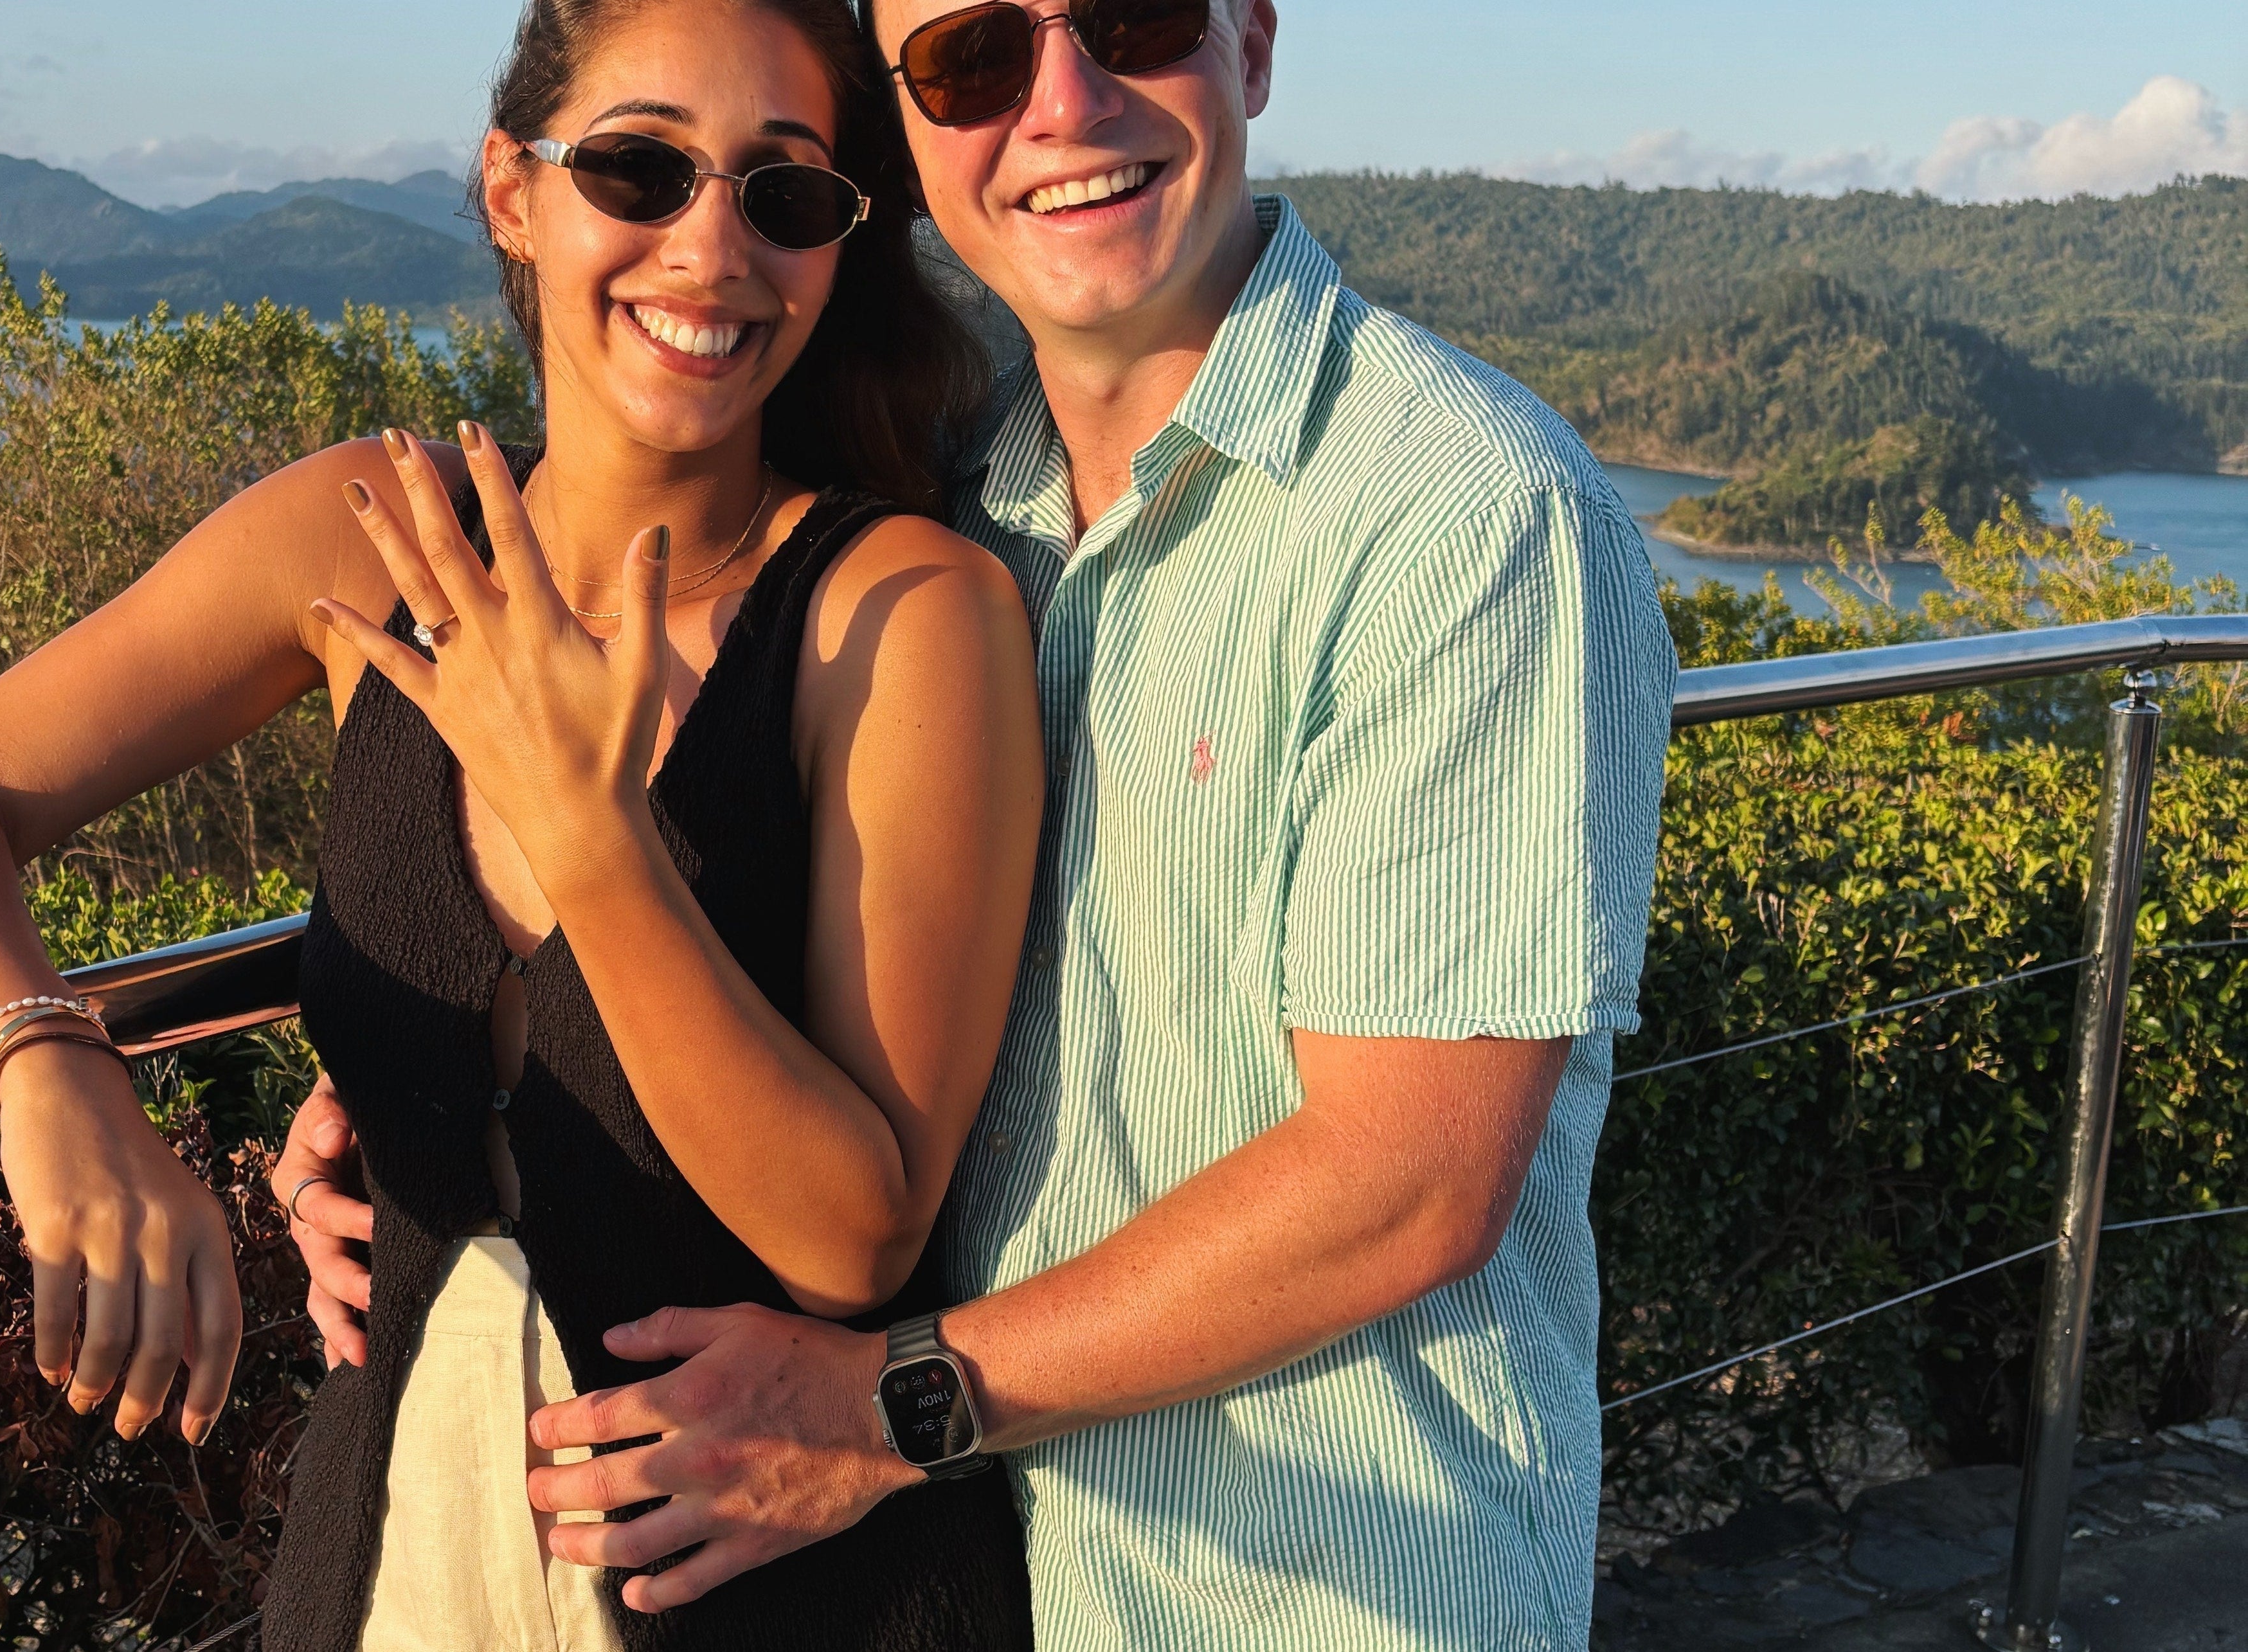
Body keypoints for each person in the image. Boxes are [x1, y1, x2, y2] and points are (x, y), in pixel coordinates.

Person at [284, 0, 1678, 1644]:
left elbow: (1410, 1175)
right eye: (971, 58)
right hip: (1020, 1576)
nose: (1064, 102)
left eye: (1138, 18)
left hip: (1337, 1579)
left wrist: (892, 1402)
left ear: (1253, 41)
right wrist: (458, 1065)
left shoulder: (1460, 513)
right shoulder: (967, 492)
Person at [0, 0, 1048, 1647]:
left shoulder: (899, 615)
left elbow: (851, 1230)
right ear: (509, 191)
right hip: (397, 1552)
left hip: (784, 1589)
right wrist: (56, 1072)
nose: (709, 250)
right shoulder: (373, 541)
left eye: (784, 195)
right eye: (639, 167)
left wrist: (595, 840)